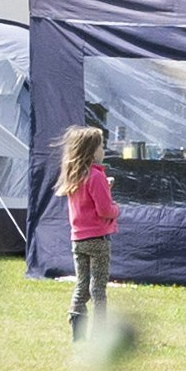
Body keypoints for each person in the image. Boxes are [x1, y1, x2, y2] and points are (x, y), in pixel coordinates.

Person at [62, 123, 120, 356]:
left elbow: (86, 201)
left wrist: (106, 187)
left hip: (78, 239)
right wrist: (117, 209)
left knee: (81, 285)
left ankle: (77, 332)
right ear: (92, 151)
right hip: (98, 239)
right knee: (98, 289)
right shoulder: (96, 176)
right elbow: (105, 210)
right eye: (101, 146)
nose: (103, 150)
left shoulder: (74, 174)